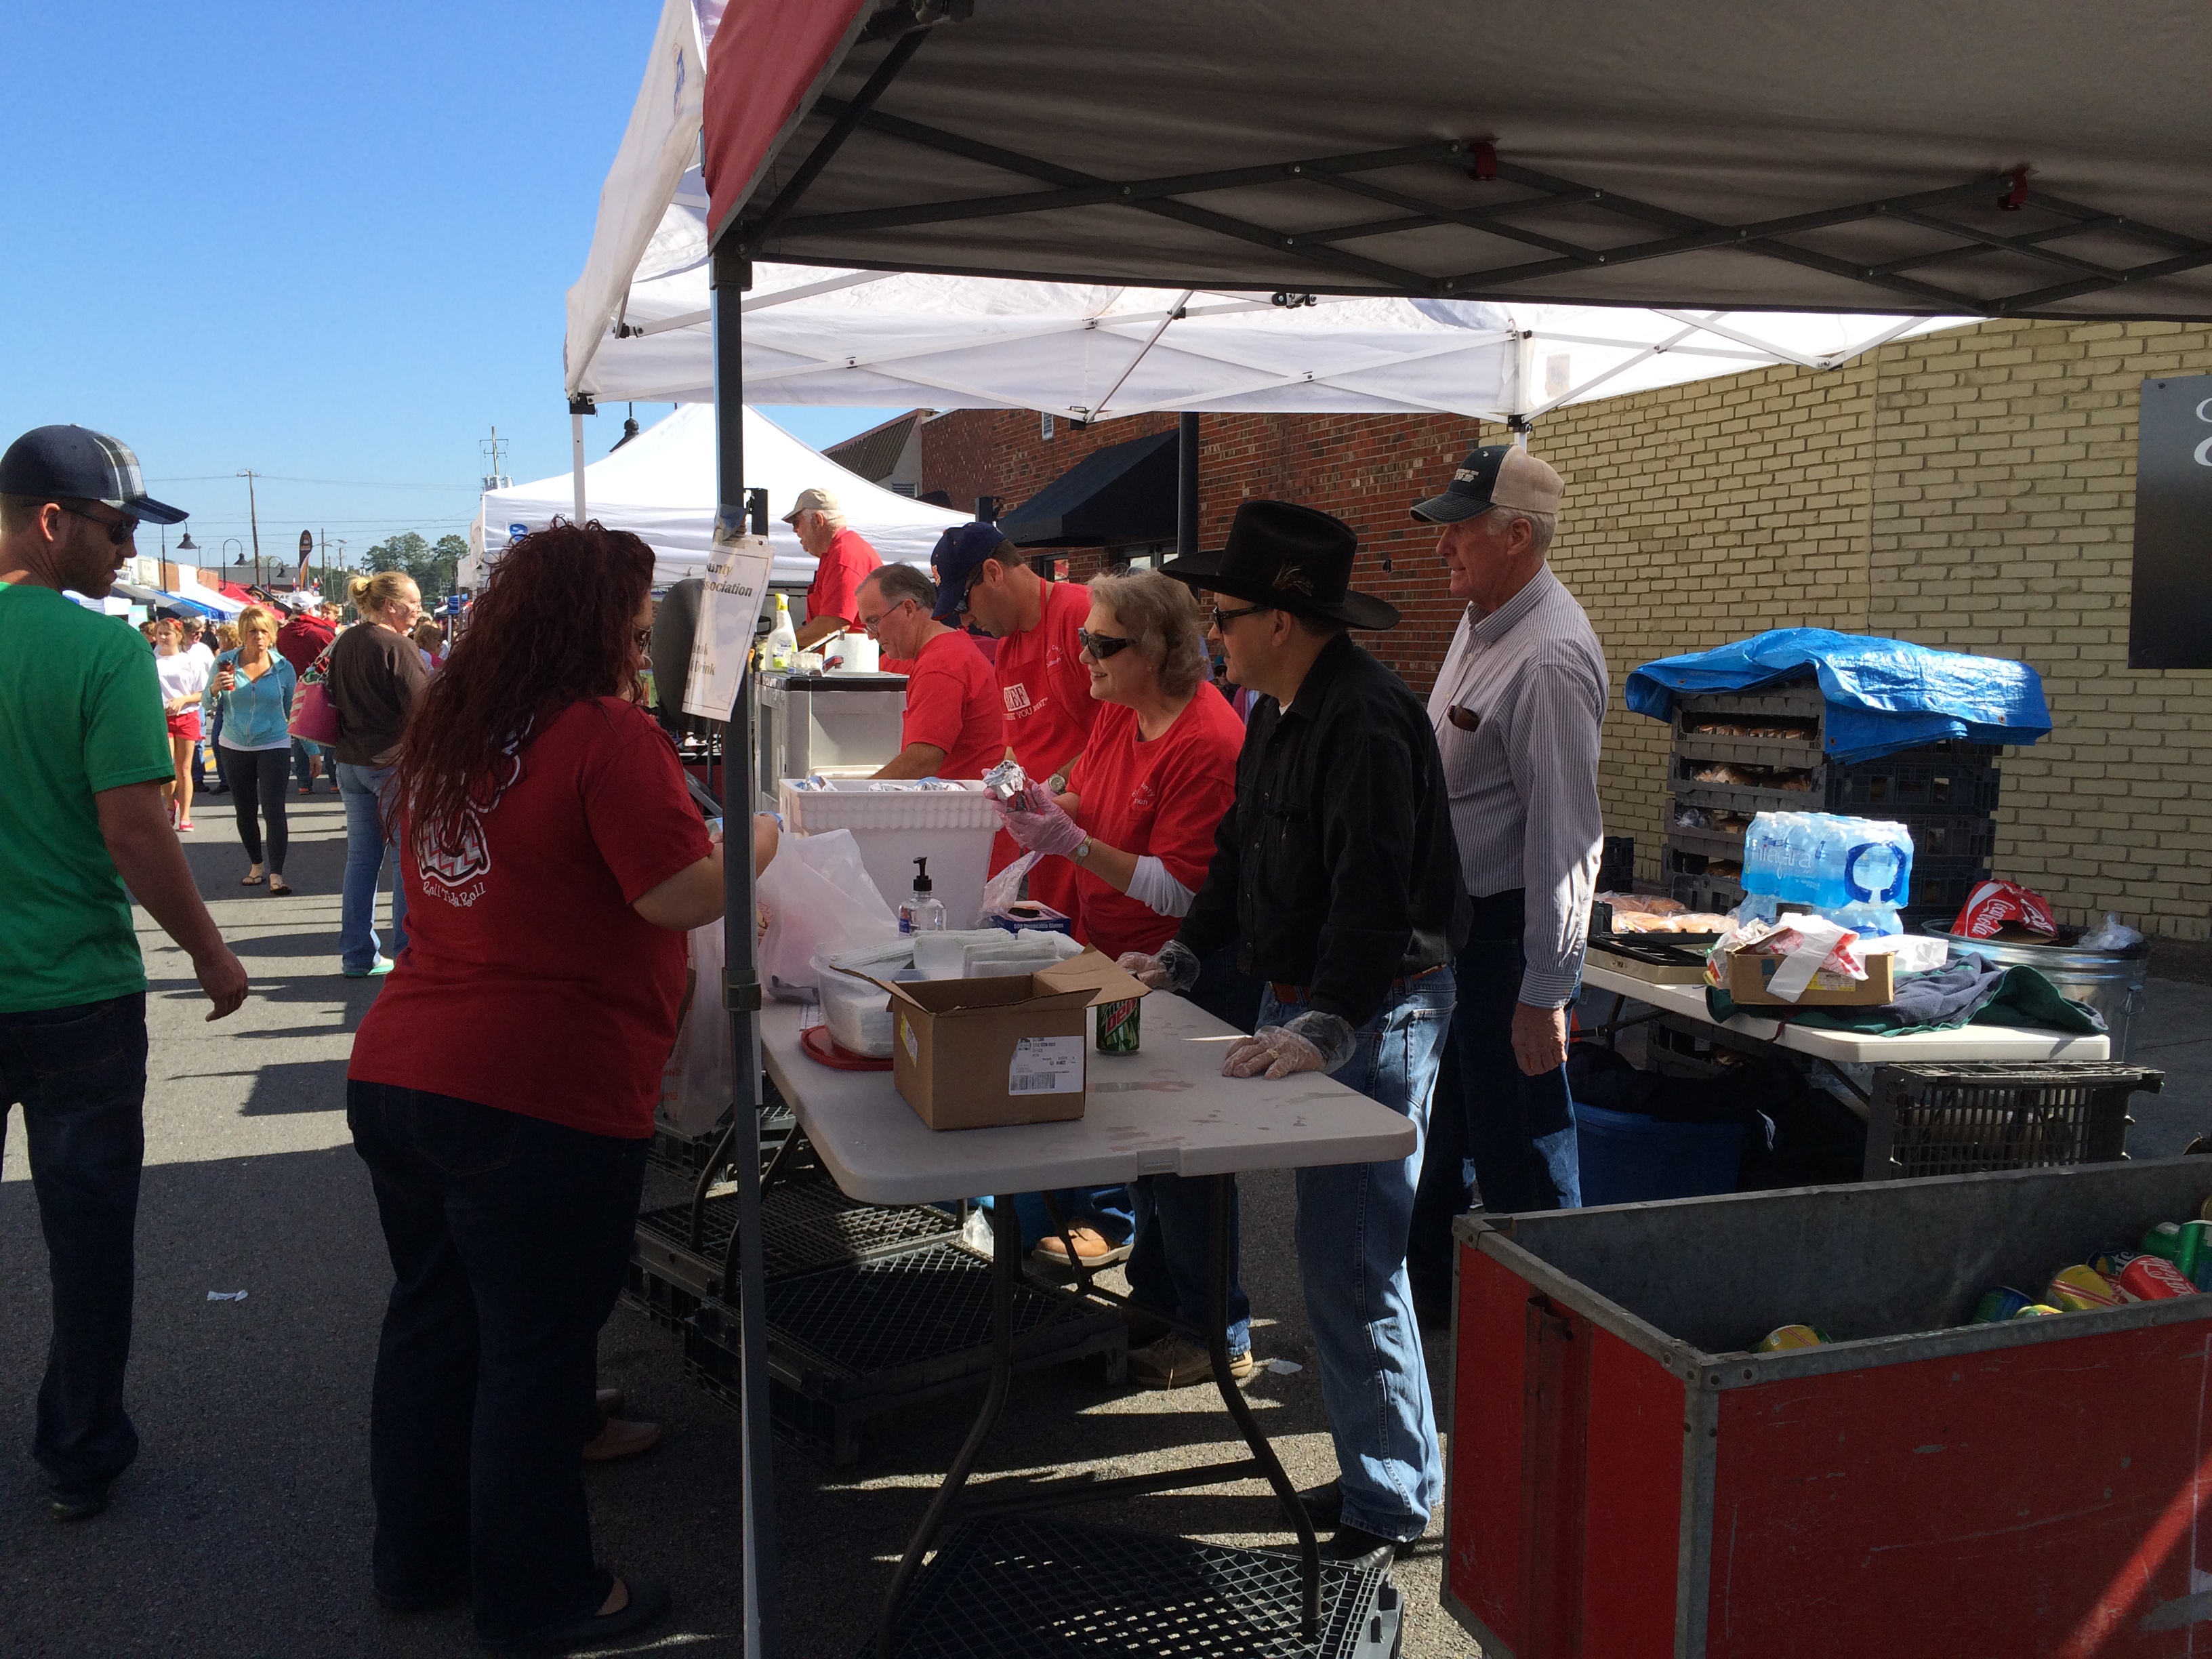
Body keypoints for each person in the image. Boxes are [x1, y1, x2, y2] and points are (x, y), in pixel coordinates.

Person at [346, 521, 721, 1650]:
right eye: (636, 622)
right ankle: (542, 1594)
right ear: (600, 625)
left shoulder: (455, 732)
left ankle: (416, 1557)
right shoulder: (604, 733)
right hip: (537, 1087)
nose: (642, 644)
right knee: (532, 1347)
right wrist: (747, 852)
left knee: (434, 1321)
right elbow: (674, 893)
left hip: (406, 1066)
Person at [1126, 499, 1469, 1574]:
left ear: (1282, 617)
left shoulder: (1365, 719)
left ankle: (1393, 1500)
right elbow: (1238, 854)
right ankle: (1386, 1469)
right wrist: (1188, 954)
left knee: (1354, 1258)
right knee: (1337, 1257)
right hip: (1314, 1001)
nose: (1211, 633)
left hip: (1378, 1010)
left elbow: (1374, 891)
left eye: (1222, 614)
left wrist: (1328, 1022)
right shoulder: (1276, 707)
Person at [0, 424, 249, 1523]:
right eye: (113, 531)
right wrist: (208, 946)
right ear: (51, 520)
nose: (125, 556)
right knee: (86, 1234)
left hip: (63, 991)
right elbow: (135, 830)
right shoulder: (100, 650)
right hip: (75, 996)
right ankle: (80, 1445)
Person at [990, 569, 1251, 1386]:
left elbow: (1183, 886)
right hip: (1117, 957)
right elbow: (1084, 793)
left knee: (1188, 1157)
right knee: (1143, 1145)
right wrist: (1042, 801)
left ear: (1159, 651)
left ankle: (1218, 1330)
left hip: (1185, 969)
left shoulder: (1205, 741)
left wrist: (1068, 842)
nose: (1085, 656)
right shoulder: (1120, 713)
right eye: (1084, 640)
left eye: (1101, 644)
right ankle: (1160, 1299)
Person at [1406, 447, 1606, 1290]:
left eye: (1459, 529)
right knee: (1445, 1137)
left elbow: (1567, 842)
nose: (1442, 546)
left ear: (1517, 535)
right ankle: (1441, 1319)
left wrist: (1545, 994)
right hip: (1462, 932)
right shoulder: (1484, 618)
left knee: (1522, 1148)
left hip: (1505, 941)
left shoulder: (1550, 659)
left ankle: (1558, 1332)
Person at [928, 523, 1099, 924]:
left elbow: (1129, 731)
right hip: (1049, 845)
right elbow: (1015, 748)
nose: (966, 621)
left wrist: (1051, 787)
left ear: (993, 572)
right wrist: (991, 799)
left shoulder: (1082, 614)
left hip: (1095, 839)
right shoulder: (1007, 646)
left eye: (964, 605)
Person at [328, 571, 428, 978]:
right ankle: (407, 955)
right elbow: (426, 708)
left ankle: (357, 953)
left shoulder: (345, 641)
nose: (418, 611)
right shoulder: (399, 647)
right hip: (391, 762)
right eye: (413, 603)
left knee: (361, 860)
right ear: (391, 606)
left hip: (350, 761)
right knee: (406, 860)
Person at [855, 563, 1001, 780]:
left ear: (908, 608)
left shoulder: (939, 665)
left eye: (874, 622)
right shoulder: (948, 650)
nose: (871, 635)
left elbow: (923, 760)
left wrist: (858, 796)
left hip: (960, 807)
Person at [203, 604, 299, 895]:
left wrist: (312, 750)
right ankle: (256, 865)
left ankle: (277, 874)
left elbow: (293, 711)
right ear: (243, 633)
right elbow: (208, 704)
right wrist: (214, 690)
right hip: (233, 743)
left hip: (274, 742)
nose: (258, 636)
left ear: (272, 634)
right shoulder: (226, 663)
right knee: (245, 810)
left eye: (264, 631)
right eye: (252, 631)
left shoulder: (283, 668)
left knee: (274, 809)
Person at [785, 487, 882, 651]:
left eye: (796, 522)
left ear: (817, 520)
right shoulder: (837, 553)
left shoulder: (844, 555)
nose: (795, 530)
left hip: (852, 666)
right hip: (846, 663)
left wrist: (782, 642)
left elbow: (833, 626)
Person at [275, 593, 338, 797]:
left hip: (295, 688)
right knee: (329, 733)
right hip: (323, 687)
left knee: (300, 734)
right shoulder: (323, 632)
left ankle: (304, 782)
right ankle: (334, 781)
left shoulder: (282, 634)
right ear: (311, 610)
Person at [150, 617, 209, 832]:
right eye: (160, 633)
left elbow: (203, 693)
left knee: (184, 768)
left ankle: (185, 814)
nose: (164, 637)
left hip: (187, 716)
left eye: (168, 633)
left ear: (178, 636)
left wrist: (182, 700)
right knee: (166, 766)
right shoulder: (149, 660)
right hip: (159, 718)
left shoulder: (190, 661)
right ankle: (170, 803)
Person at [178, 618, 216, 796]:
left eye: (201, 633)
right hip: (174, 702)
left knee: (198, 741)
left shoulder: (202, 650)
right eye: (195, 633)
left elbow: (213, 672)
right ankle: (178, 779)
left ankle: (198, 778)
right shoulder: (173, 649)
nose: (199, 636)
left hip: (198, 701)